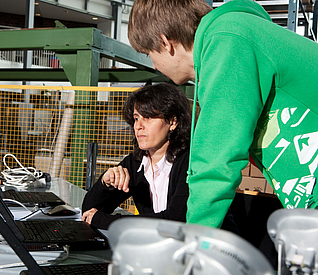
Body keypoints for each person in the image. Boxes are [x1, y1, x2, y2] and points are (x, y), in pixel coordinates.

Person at [128, 0, 318, 229]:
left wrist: (193, 244)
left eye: (149, 53)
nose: (155, 66)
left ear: (165, 42)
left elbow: (215, 161)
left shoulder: (228, 40)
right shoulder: (233, 35)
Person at [81, 82, 191, 229]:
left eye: (149, 118)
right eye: (136, 118)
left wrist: (107, 221)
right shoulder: (136, 162)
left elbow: (176, 219)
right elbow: (88, 212)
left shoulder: (189, 161)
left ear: (172, 121)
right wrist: (105, 183)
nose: (139, 126)